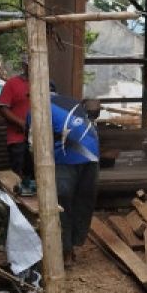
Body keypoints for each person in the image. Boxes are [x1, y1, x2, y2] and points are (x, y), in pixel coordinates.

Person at [48, 92, 100, 267]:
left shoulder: (38, 108)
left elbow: (32, 144)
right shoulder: (71, 103)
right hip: (92, 156)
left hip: (66, 160)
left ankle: (66, 252)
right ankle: (74, 245)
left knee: (62, 205)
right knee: (83, 203)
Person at [0, 57, 35, 196]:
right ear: (24, 66)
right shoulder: (12, 84)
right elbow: (3, 109)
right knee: (18, 172)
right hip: (18, 138)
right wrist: (21, 123)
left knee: (36, 173)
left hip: (37, 138)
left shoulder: (44, 84)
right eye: (30, 64)